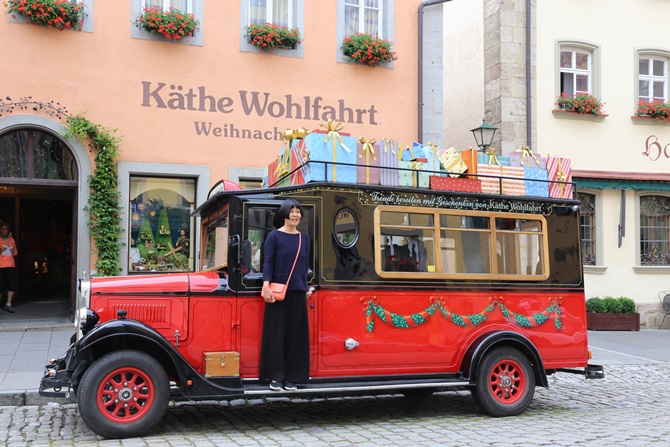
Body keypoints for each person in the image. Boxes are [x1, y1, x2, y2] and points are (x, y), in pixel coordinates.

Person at [259, 199, 313, 391]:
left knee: (295, 336)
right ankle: (276, 377)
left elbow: (304, 266)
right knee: (276, 335)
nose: (295, 215)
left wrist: (306, 288)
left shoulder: (304, 239)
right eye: (292, 211)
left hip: (298, 292)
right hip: (276, 293)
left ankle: (292, 378)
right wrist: (266, 285)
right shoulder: (274, 236)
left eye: (298, 211)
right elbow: (268, 262)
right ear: (284, 214)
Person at [0, 224, 18, 313]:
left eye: (5, 229)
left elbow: (16, 253)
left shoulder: (12, 240)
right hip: (0, 265)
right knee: (1, 286)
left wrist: (13, 251)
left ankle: (8, 304)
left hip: (10, 265)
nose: (4, 230)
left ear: (8, 230)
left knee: (12, 285)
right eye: (2, 229)